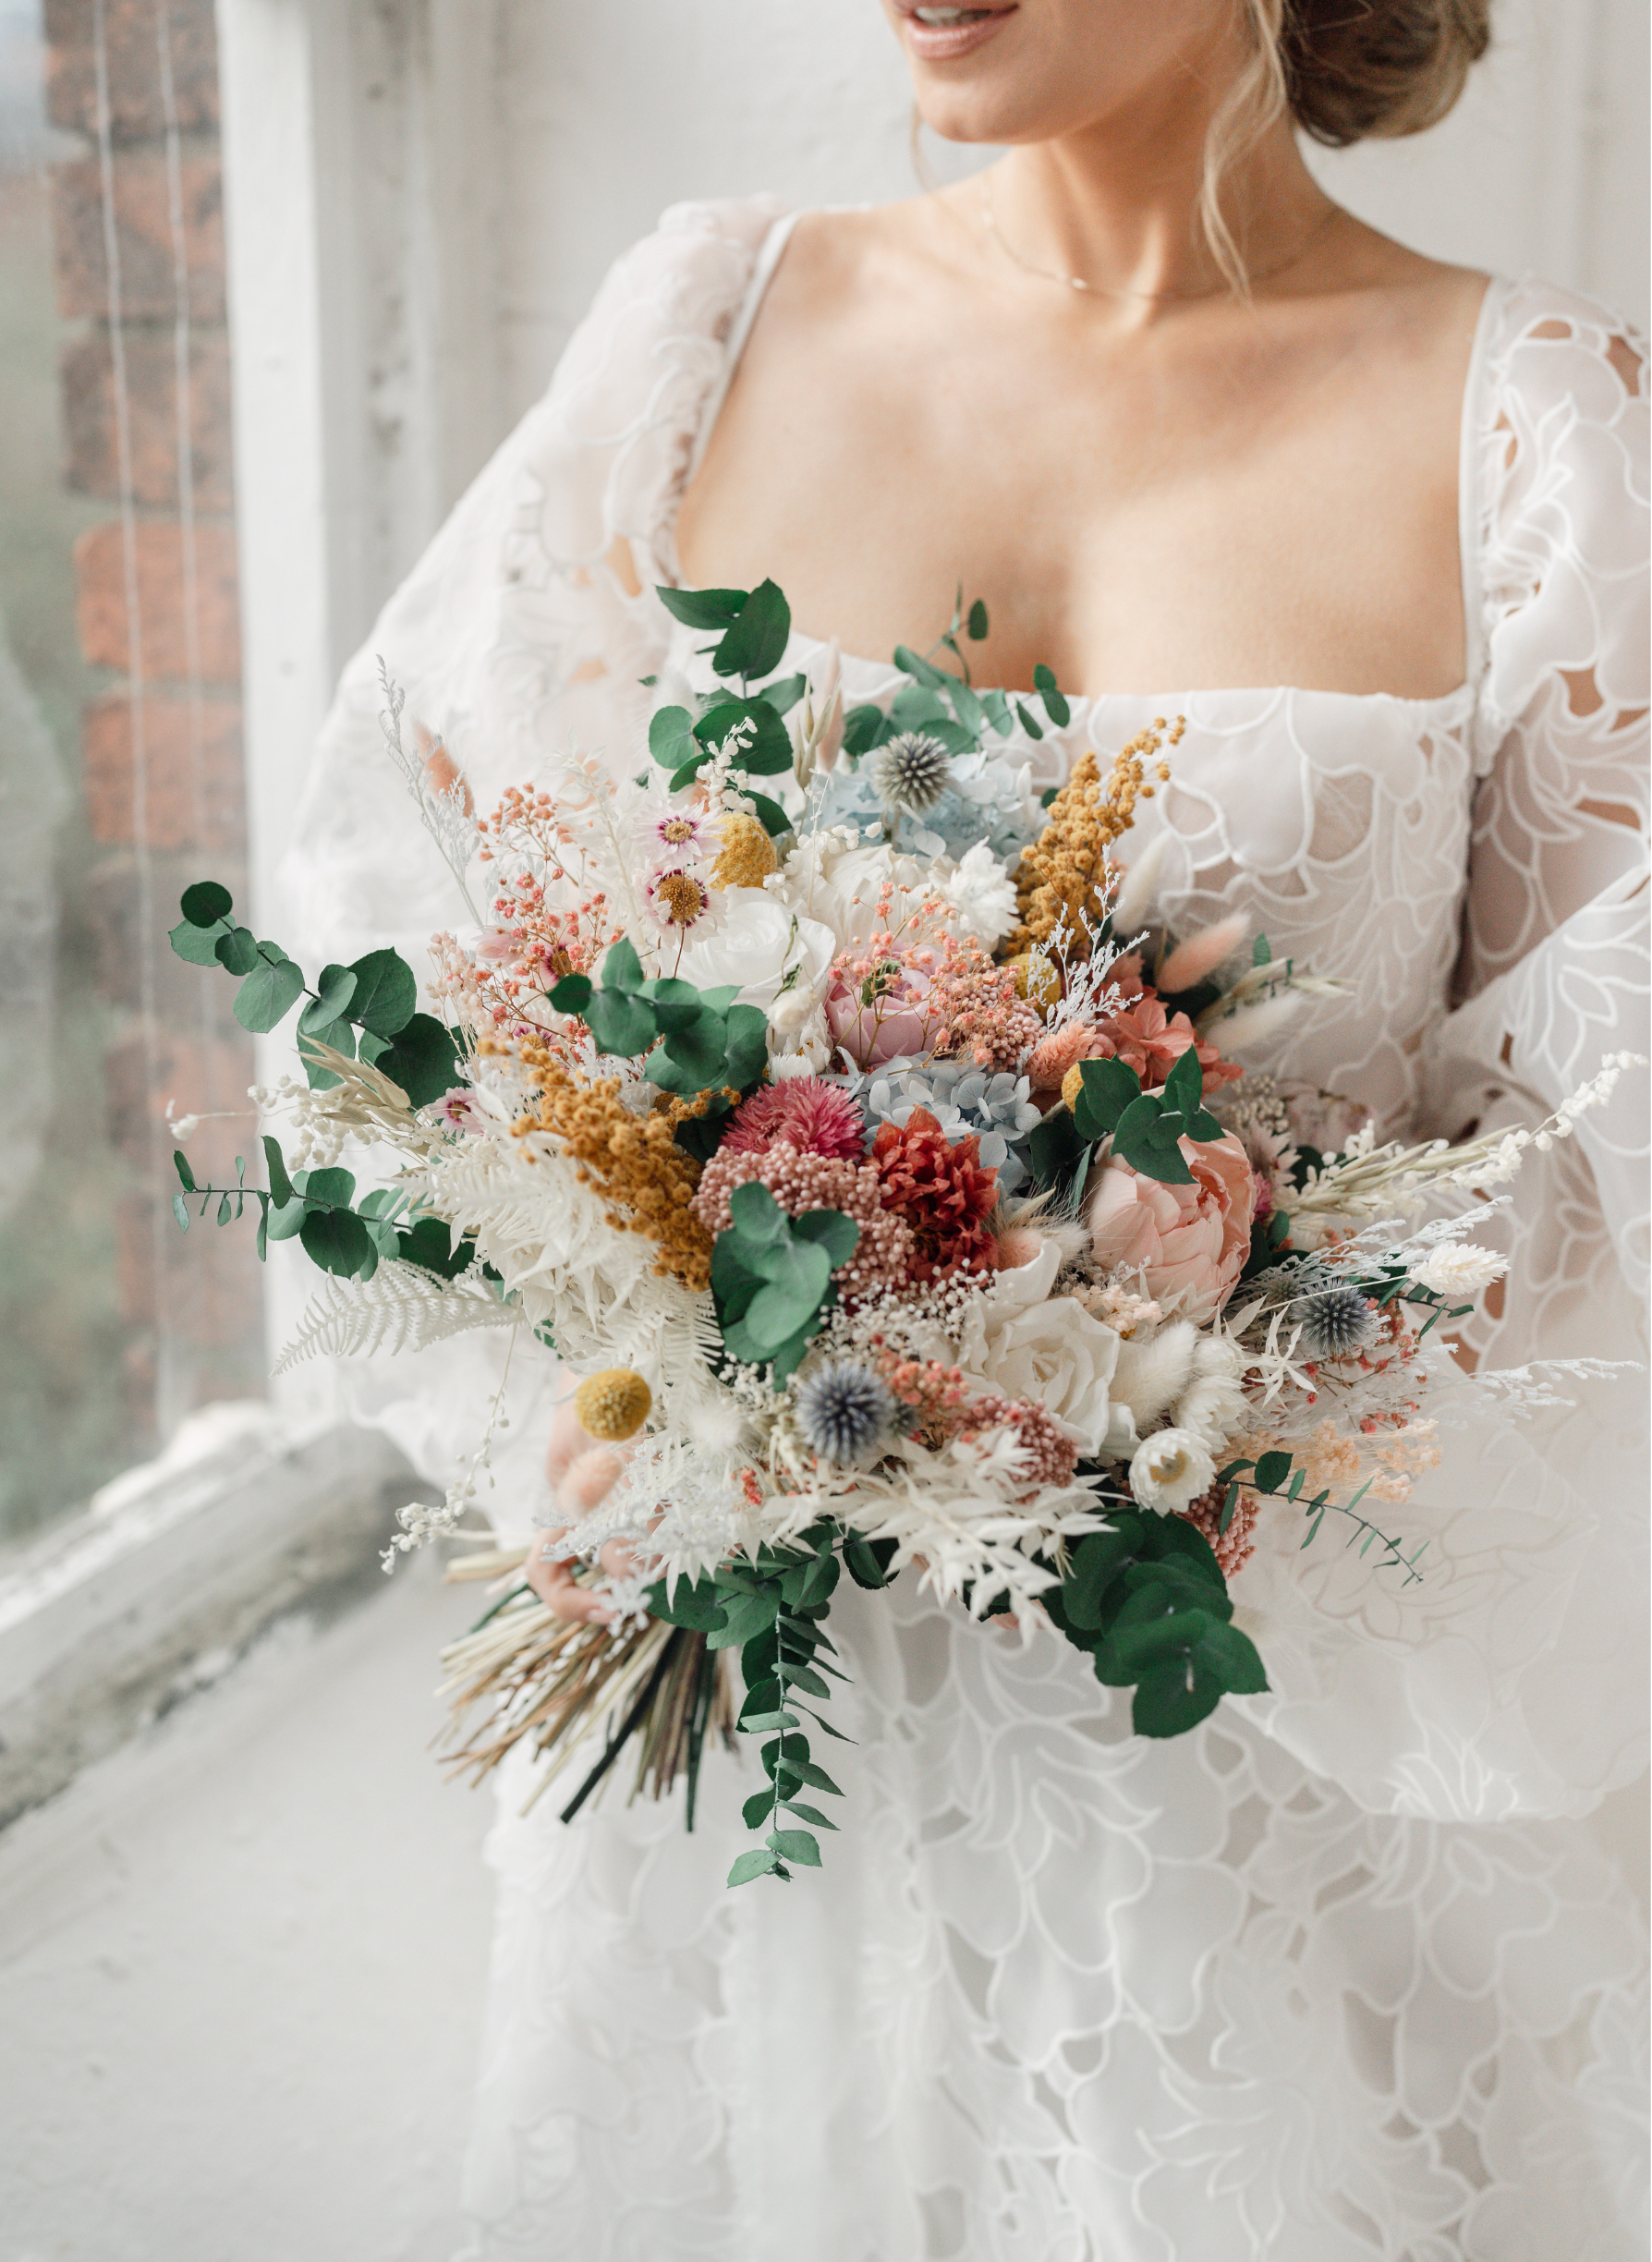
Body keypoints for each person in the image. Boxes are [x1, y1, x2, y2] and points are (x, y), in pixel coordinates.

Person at [286, 3, 1649, 2254]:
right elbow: (413, 930)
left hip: (1270, 1825)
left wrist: (1139, 1357)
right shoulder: (702, 332)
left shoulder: (1541, 429)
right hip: (744, 1776)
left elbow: (1607, 1139)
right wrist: (654, 1335)